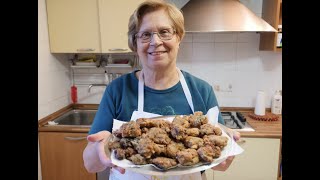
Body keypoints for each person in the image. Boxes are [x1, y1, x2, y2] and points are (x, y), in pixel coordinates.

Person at [83, 0, 240, 179]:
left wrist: (227, 151)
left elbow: (220, 165)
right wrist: (99, 150)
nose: (155, 42)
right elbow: (89, 164)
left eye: (164, 32)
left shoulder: (202, 90)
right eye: (145, 35)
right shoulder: (117, 90)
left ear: (179, 37)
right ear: (135, 43)